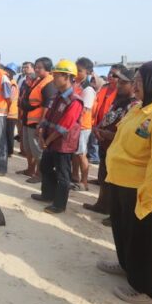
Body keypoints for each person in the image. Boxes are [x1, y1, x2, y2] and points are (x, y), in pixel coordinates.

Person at [97, 62, 152, 304]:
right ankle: (127, 265)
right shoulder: (139, 108)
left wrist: (149, 200)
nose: (134, 86)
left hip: (146, 190)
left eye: (139, 82)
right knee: (125, 231)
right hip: (121, 183)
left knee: (146, 238)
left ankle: (145, 286)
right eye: (134, 81)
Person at [83, 67, 139, 216]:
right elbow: (108, 117)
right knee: (104, 178)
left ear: (134, 84)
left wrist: (109, 135)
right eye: (118, 81)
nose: (119, 85)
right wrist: (98, 129)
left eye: (123, 83)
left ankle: (114, 213)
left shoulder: (134, 105)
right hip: (106, 146)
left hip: (119, 150)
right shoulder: (118, 100)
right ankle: (102, 205)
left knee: (116, 183)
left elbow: (129, 132)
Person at [32, 59, 83, 214]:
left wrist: (46, 141)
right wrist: (41, 134)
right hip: (50, 141)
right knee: (45, 167)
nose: (53, 79)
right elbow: (47, 117)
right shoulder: (57, 96)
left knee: (63, 174)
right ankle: (47, 195)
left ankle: (59, 204)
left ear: (67, 77)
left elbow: (63, 127)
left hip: (63, 144)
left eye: (56, 76)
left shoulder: (75, 101)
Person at [20, 58, 56, 183]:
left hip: (36, 122)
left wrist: (41, 124)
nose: (36, 69)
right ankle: (30, 169)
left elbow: (48, 105)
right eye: (36, 67)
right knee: (28, 148)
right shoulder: (38, 80)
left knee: (37, 150)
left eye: (39, 67)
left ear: (48, 68)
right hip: (28, 118)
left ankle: (40, 174)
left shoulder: (49, 83)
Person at [89, 64, 121, 170]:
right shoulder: (104, 87)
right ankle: (100, 180)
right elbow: (97, 106)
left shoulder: (121, 92)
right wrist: (95, 125)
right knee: (102, 157)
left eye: (114, 75)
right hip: (98, 126)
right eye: (110, 73)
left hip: (111, 131)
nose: (110, 76)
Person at [71, 57, 96, 191]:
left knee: (81, 154)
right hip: (75, 125)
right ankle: (74, 176)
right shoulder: (76, 85)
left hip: (83, 126)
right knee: (75, 153)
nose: (77, 73)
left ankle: (84, 181)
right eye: (76, 70)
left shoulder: (88, 90)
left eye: (80, 71)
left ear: (88, 72)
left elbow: (84, 110)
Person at [3, 64, 19, 157]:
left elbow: (10, 99)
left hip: (11, 113)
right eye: (6, 70)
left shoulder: (12, 84)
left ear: (12, 73)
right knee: (7, 133)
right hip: (8, 112)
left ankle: (9, 152)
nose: (6, 73)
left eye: (8, 71)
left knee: (9, 133)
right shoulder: (8, 82)